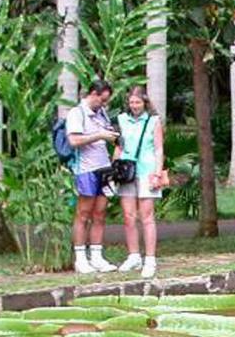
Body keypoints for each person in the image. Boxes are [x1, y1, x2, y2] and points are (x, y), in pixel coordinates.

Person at [66, 79, 119, 273]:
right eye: (102, 100)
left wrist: (111, 135)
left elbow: (106, 134)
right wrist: (99, 135)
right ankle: (81, 258)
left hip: (103, 168)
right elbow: (73, 140)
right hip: (86, 169)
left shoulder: (101, 113)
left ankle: (97, 256)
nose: (103, 104)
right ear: (93, 94)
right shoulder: (77, 113)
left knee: (100, 213)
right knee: (83, 213)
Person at [113, 85, 166, 279]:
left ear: (145, 103)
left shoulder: (153, 121)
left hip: (147, 171)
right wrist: (114, 168)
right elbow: (119, 147)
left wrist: (158, 173)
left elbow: (159, 149)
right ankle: (133, 255)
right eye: (132, 102)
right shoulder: (121, 120)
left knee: (147, 216)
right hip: (126, 171)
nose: (134, 105)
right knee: (128, 216)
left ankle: (150, 258)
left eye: (138, 102)